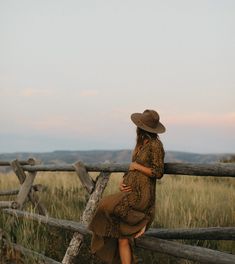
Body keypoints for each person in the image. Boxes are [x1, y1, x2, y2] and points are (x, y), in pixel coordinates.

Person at [88, 109, 165, 264]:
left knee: (105, 205)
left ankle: (141, 222)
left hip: (142, 195)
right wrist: (123, 181)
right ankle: (133, 230)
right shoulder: (141, 142)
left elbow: (158, 172)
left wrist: (136, 166)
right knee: (122, 239)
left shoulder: (156, 145)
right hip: (130, 190)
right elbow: (131, 168)